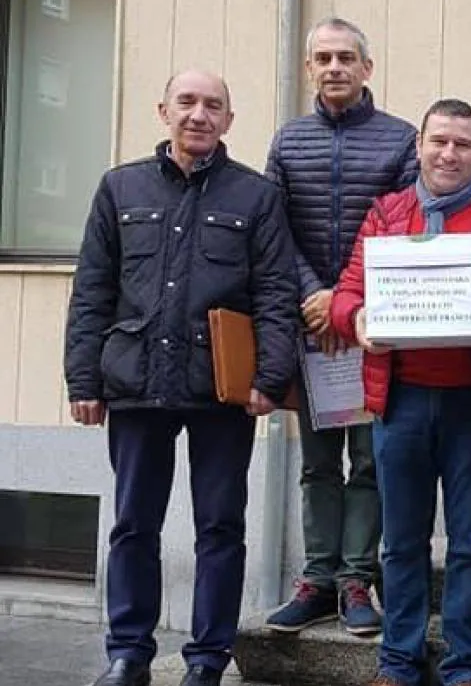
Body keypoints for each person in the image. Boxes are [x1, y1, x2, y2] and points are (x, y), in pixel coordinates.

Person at [64, 70, 301, 686]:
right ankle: (129, 654)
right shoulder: (120, 188)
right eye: (187, 102)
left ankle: (206, 660)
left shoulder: (256, 196)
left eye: (213, 105)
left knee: (220, 527)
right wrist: (82, 380)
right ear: (162, 109)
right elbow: (92, 290)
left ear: (229, 119)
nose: (199, 114)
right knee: (133, 524)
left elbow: (276, 293)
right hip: (135, 383)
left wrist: (269, 378)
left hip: (219, 390)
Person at [330, 99, 471, 686]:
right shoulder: (386, 213)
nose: (448, 153)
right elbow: (347, 292)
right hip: (400, 402)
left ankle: (464, 661)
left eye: (462, 144)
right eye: (438, 141)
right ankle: (399, 660)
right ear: (420, 146)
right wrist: (359, 320)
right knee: (401, 541)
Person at [263, 16, 420, 636]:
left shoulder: (401, 139)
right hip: (311, 329)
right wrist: (316, 298)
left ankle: (357, 579)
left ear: (367, 68)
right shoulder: (287, 140)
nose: (334, 67)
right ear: (309, 69)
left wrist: (347, 303)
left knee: (370, 462)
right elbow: (274, 232)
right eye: (323, 57)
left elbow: (404, 226)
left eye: (346, 57)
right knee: (317, 463)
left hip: (372, 325)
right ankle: (317, 579)